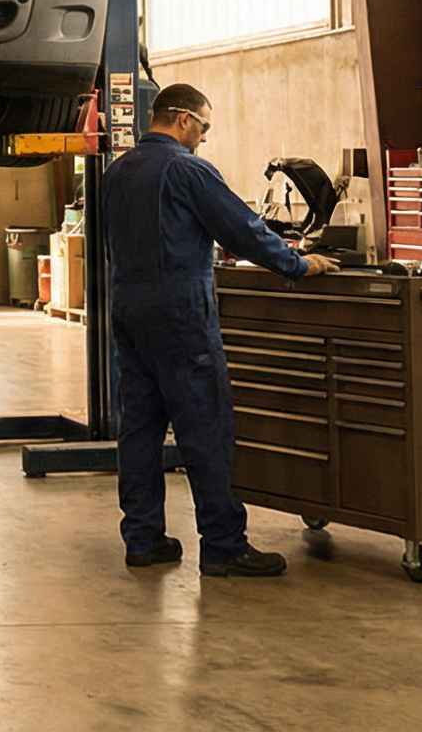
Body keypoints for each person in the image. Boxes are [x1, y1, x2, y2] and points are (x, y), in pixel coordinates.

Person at [101, 83, 340, 577]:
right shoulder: (188, 170)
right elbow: (243, 230)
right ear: (184, 119)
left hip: (127, 307)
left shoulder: (117, 171)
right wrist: (296, 264)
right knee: (205, 426)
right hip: (179, 311)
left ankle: (143, 539)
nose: (205, 138)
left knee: (140, 427)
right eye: (204, 126)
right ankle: (224, 544)